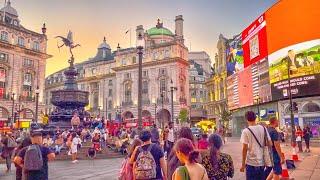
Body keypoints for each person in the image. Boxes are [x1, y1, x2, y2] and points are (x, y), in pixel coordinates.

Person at [240, 111, 272, 180]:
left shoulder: (246, 131)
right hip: (262, 163)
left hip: (251, 164)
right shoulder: (263, 128)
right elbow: (270, 143)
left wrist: (243, 165)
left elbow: (244, 149)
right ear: (255, 118)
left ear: (246, 119)